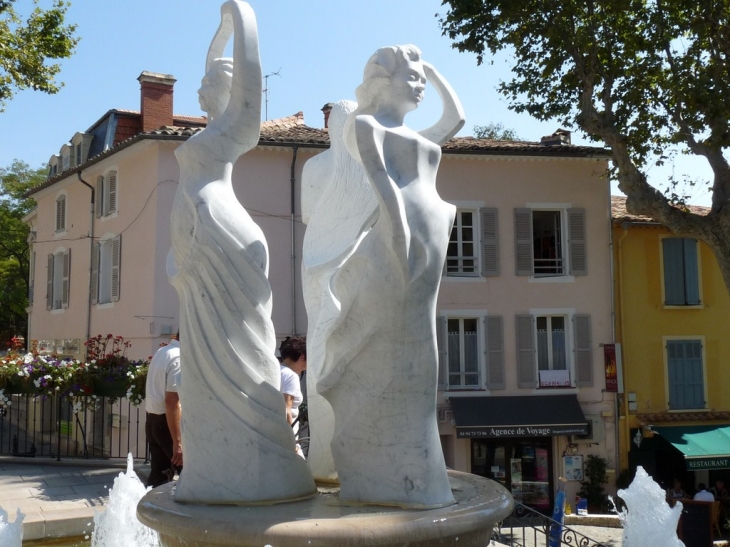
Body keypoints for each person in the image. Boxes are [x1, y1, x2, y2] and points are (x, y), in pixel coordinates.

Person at [167, 0, 314, 503]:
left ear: (229, 94)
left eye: (212, 82)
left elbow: (249, 89)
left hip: (223, 233)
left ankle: (260, 459)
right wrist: (218, 35)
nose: (201, 86)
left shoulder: (231, 131)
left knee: (242, 350)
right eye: (204, 80)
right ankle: (217, 466)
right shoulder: (205, 134)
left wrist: (240, 19)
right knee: (207, 361)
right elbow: (214, 68)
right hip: (199, 237)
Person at [312, 44, 464, 507]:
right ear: (382, 82)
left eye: (421, 81)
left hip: (428, 240)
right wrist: (401, 243)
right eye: (410, 79)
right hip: (400, 246)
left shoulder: (417, 133)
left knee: (422, 351)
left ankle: (411, 468)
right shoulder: (367, 124)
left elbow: (455, 119)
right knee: (393, 345)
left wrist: (432, 71)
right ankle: (383, 467)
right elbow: (385, 188)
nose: (418, 87)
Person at [144, 335, 182, 488]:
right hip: (167, 424)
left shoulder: (163, 351)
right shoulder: (179, 357)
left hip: (153, 421)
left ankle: (148, 511)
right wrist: (178, 442)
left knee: (159, 478)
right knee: (193, 475)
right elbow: (172, 401)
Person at [279, 336, 307, 457]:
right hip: (286, 438)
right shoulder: (291, 376)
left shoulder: (277, 370)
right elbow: (286, 410)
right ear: (301, 357)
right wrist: (292, 442)